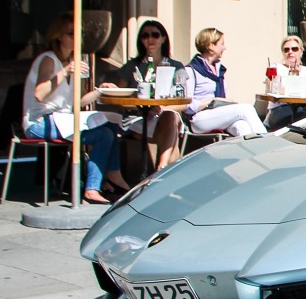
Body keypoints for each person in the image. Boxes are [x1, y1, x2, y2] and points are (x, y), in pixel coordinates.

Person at [22, 13, 128, 204]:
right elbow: (40, 93)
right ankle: (92, 188)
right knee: (103, 135)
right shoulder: (49, 59)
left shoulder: (73, 61)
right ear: (58, 36)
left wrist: (98, 92)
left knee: (111, 122)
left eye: (79, 33)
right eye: (71, 33)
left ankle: (112, 175)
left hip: (62, 119)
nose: (76, 38)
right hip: (39, 122)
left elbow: (75, 103)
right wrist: (64, 72)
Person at [100, 19, 184, 171]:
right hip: (138, 117)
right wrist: (112, 88)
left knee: (170, 117)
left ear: (163, 38)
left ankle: (162, 167)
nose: (150, 39)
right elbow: (120, 97)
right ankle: (165, 171)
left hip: (164, 115)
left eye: (155, 35)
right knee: (171, 135)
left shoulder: (176, 67)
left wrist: (160, 107)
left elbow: (183, 102)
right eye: (145, 36)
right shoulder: (133, 66)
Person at [184, 27, 267, 136]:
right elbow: (187, 106)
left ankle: (256, 152)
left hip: (219, 115)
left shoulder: (219, 71)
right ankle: (269, 145)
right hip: (199, 118)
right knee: (246, 108)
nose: (225, 47)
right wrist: (210, 101)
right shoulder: (191, 70)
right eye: (222, 44)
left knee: (242, 126)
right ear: (211, 46)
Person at [264, 35, 306, 129]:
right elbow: (270, 89)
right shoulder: (275, 68)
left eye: (294, 49)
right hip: (281, 108)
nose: (290, 52)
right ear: (283, 53)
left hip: (305, 107)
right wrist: (291, 75)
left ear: (301, 51)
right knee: (296, 113)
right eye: (286, 50)